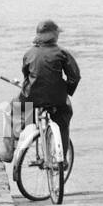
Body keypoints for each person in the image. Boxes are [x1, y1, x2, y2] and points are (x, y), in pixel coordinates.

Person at [21, 19, 81, 157]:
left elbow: (26, 75)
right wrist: (67, 91)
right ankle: (63, 158)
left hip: (32, 98)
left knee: (17, 112)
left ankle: (12, 146)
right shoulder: (62, 53)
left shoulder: (29, 53)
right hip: (57, 98)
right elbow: (75, 76)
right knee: (63, 118)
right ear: (54, 36)